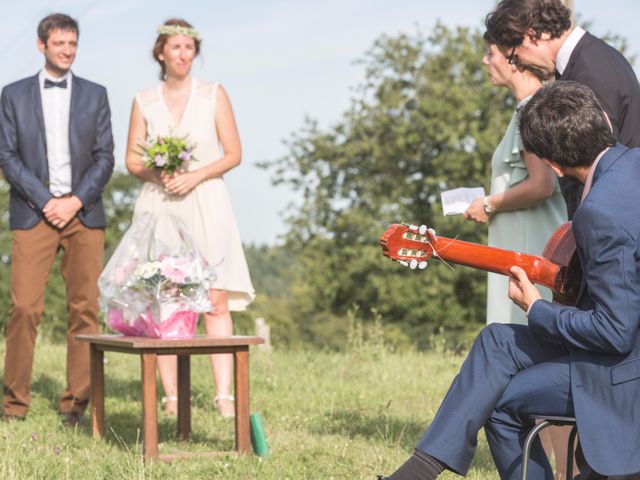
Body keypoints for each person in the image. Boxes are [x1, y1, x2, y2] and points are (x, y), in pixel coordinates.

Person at [380, 81, 640, 480]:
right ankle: (421, 468)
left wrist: (536, 308)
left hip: (624, 369)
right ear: (603, 120)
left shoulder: (598, 213)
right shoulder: (632, 165)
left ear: (552, 165)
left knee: (499, 402)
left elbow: (614, 332)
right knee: (497, 340)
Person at [125, 19, 255, 418]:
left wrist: (195, 175)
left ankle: (223, 395)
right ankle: (171, 395)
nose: (183, 55)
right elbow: (131, 159)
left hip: (205, 202)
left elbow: (233, 153)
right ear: (160, 51)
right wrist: (159, 174)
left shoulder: (213, 94)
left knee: (214, 299)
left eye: (189, 48)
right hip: (161, 204)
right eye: (175, 47)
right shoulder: (144, 100)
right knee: (165, 295)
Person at [0, 14, 114, 426]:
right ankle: (13, 405)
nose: (67, 50)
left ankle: (76, 405)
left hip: (85, 215)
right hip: (34, 214)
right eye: (59, 43)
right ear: (41, 45)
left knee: (84, 310)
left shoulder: (96, 94)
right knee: (24, 309)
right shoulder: (11, 95)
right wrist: (48, 200)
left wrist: (76, 200)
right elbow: (7, 156)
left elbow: (106, 158)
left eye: (72, 44)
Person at [484, 0, 640, 220]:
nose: (521, 66)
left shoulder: (589, 73)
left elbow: (599, 169)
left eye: (515, 57)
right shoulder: (591, 58)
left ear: (530, 36)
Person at [463, 42, 566, 326]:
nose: (485, 61)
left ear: (513, 58)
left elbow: (541, 185)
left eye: (491, 53)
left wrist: (488, 204)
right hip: (526, 245)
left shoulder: (531, 109)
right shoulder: (533, 106)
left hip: (531, 248)